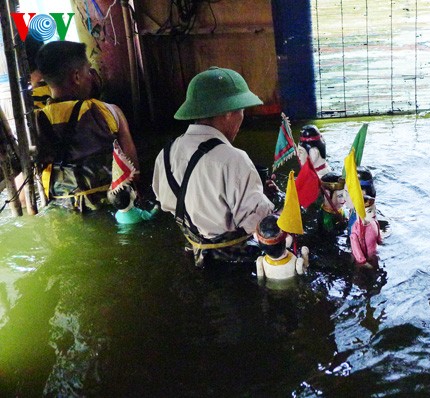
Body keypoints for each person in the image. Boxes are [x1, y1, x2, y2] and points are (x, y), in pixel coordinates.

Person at [152, 66, 276, 267]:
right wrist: (269, 203)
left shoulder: (165, 154)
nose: (242, 118)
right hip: (233, 264)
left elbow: (164, 200)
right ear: (228, 112)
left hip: (193, 254)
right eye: (241, 110)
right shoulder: (233, 159)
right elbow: (257, 224)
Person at [34, 40, 138, 212]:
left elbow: (28, 183)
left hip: (63, 209)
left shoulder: (37, 121)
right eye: (87, 70)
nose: (91, 76)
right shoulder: (109, 112)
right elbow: (133, 170)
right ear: (76, 77)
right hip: (113, 206)